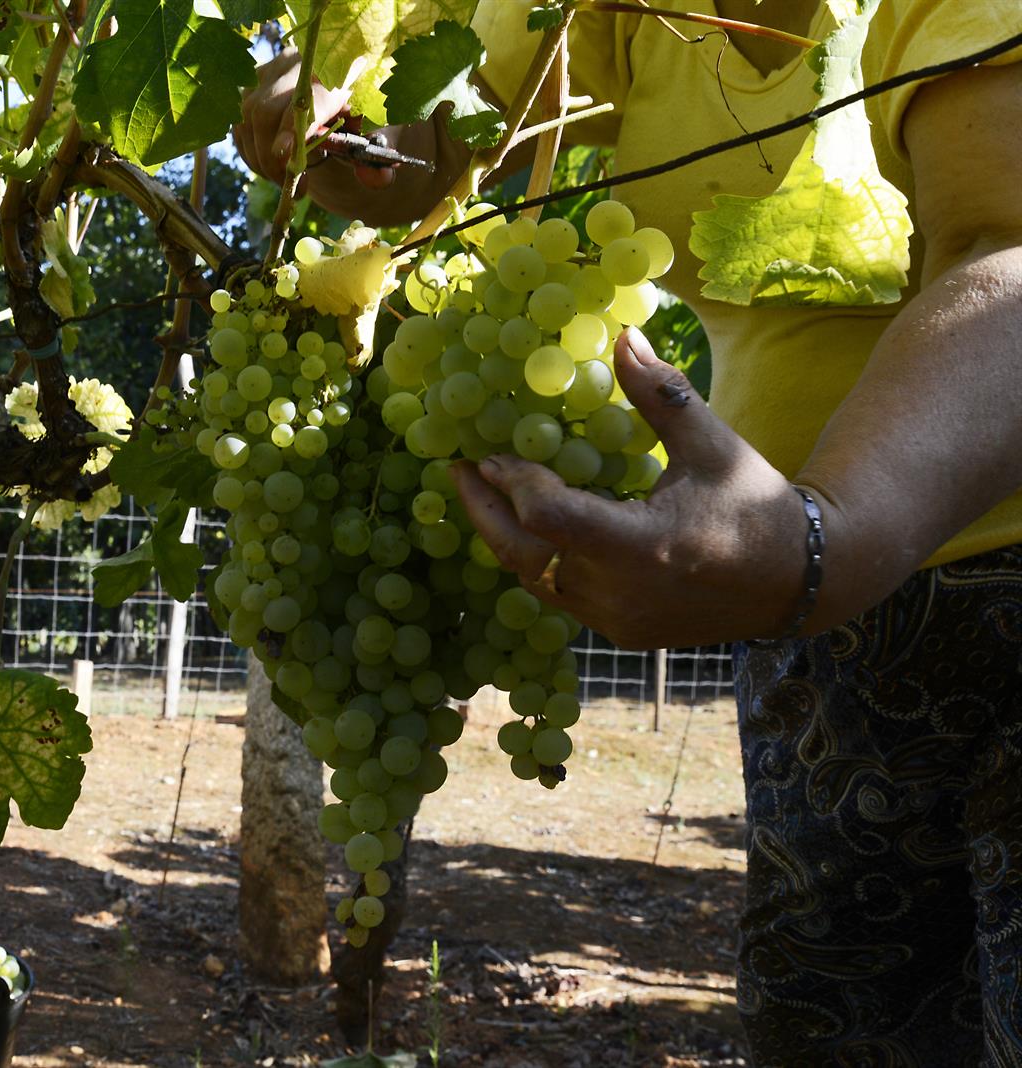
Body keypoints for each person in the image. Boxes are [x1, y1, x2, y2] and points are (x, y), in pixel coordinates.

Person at [235, 1, 1022, 1063]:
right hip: (798, 597)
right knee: (840, 1027)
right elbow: (443, 136)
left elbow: (1004, 245)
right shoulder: (604, 15)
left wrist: (830, 540)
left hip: (931, 570)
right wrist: (346, 126)